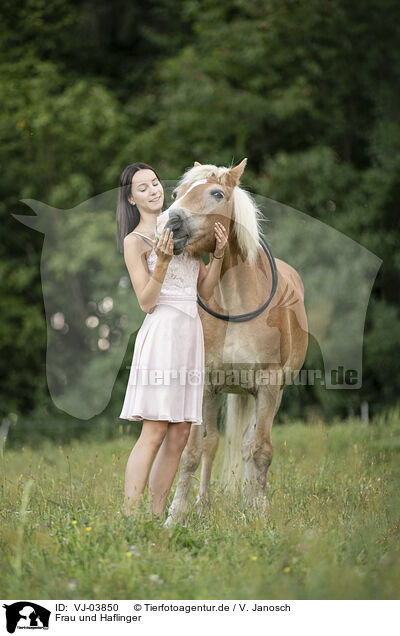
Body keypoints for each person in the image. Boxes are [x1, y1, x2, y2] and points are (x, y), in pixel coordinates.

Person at [116, 162, 228, 518]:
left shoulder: (181, 224)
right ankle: (131, 518)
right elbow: (147, 303)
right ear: (132, 199)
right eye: (143, 187)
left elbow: (206, 293)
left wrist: (220, 256)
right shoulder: (134, 242)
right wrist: (161, 262)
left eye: (155, 183)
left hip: (190, 334)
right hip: (162, 333)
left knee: (180, 434)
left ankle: (155, 515)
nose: (154, 190)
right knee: (155, 429)